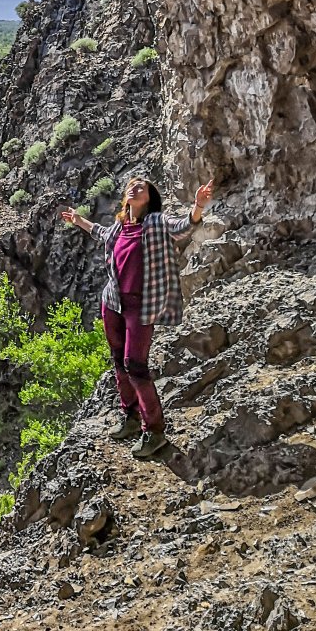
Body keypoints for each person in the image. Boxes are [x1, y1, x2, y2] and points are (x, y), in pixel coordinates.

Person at [60, 176, 213, 458]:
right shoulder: (121, 226)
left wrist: (197, 207)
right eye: (132, 185)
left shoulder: (155, 222)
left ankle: (154, 431)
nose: (134, 188)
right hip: (113, 302)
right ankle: (129, 416)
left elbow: (181, 228)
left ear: (149, 198)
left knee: (135, 365)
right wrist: (79, 221)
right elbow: (102, 233)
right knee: (119, 360)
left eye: (141, 187)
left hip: (141, 307)